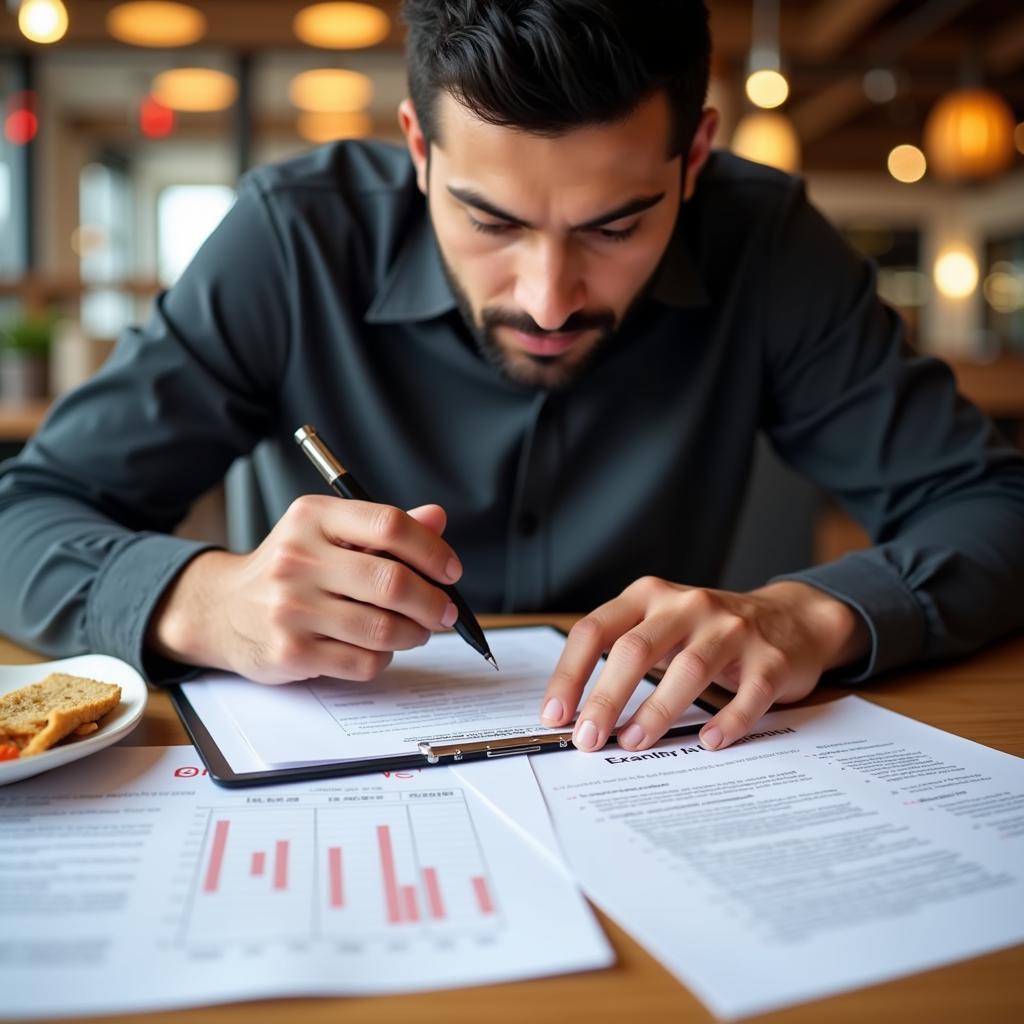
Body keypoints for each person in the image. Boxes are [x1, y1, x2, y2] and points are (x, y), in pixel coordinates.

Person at [1, 0, 1022, 757]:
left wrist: (805, 616)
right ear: (418, 146)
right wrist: (199, 598)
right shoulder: (293, 239)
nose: (545, 299)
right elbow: (25, 513)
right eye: (490, 221)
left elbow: (994, 505)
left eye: (615, 225)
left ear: (696, 154)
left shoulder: (766, 246)